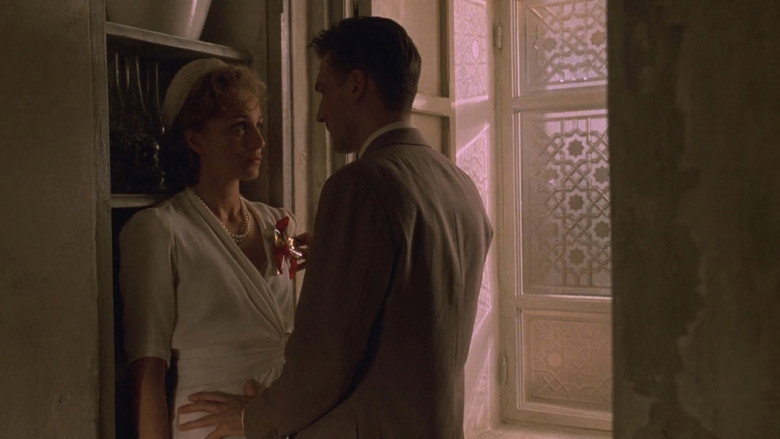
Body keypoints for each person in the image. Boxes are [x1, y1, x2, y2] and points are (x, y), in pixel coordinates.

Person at [178, 16, 492, 439]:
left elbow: (324, 357)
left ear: (356, 85)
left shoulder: (360, 185)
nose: (321, 113)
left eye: (324, 91)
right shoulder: (459, 184)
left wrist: (251, 419)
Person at [119, 58, 306, 439]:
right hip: (206, 426)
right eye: (239, 128)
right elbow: (148, 375)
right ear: (195, 140)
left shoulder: (277, 223)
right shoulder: (162, 230)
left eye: (257, 126)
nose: (258, 142)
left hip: (279, 418)